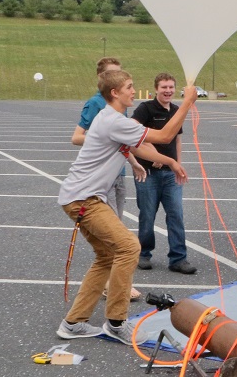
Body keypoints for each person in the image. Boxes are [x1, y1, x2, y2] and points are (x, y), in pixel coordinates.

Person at [56, 70, 197, 345]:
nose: (134, 91)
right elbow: (166, 135)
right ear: (115, 93)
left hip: (82, 197)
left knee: (107, 257)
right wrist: (188, 102)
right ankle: (117, 323)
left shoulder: (116, 120)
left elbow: (141, 148)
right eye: (130, 88)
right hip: (84, 199)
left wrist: (170, 163)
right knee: (129, 248)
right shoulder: (112, 120)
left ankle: (73, 323)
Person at [71, 57, 146, 301]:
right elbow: (77, 137)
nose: (122, 79)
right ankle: (116, 289)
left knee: (118, 231)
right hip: (99, 180)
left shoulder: (121, 106)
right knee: (120, 240)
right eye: (114, 74)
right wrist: (101, 138)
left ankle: (111, 284)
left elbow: (123, 141)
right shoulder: (96, 104)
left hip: (118, 173)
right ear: (104, 81)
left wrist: (134, 163)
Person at [132, 73, 196, 274]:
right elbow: (135, 132)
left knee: (176, 214)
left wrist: (178, 164)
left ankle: (178, 258)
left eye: (170, 87)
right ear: (156, 89)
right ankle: (143, 254)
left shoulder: (176, 110)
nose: (167, 91)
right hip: (147, 173)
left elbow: (177, 139)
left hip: (170, 174)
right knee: (148, 215)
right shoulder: (145, 109)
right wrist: (155, 155)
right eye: (163, 87)